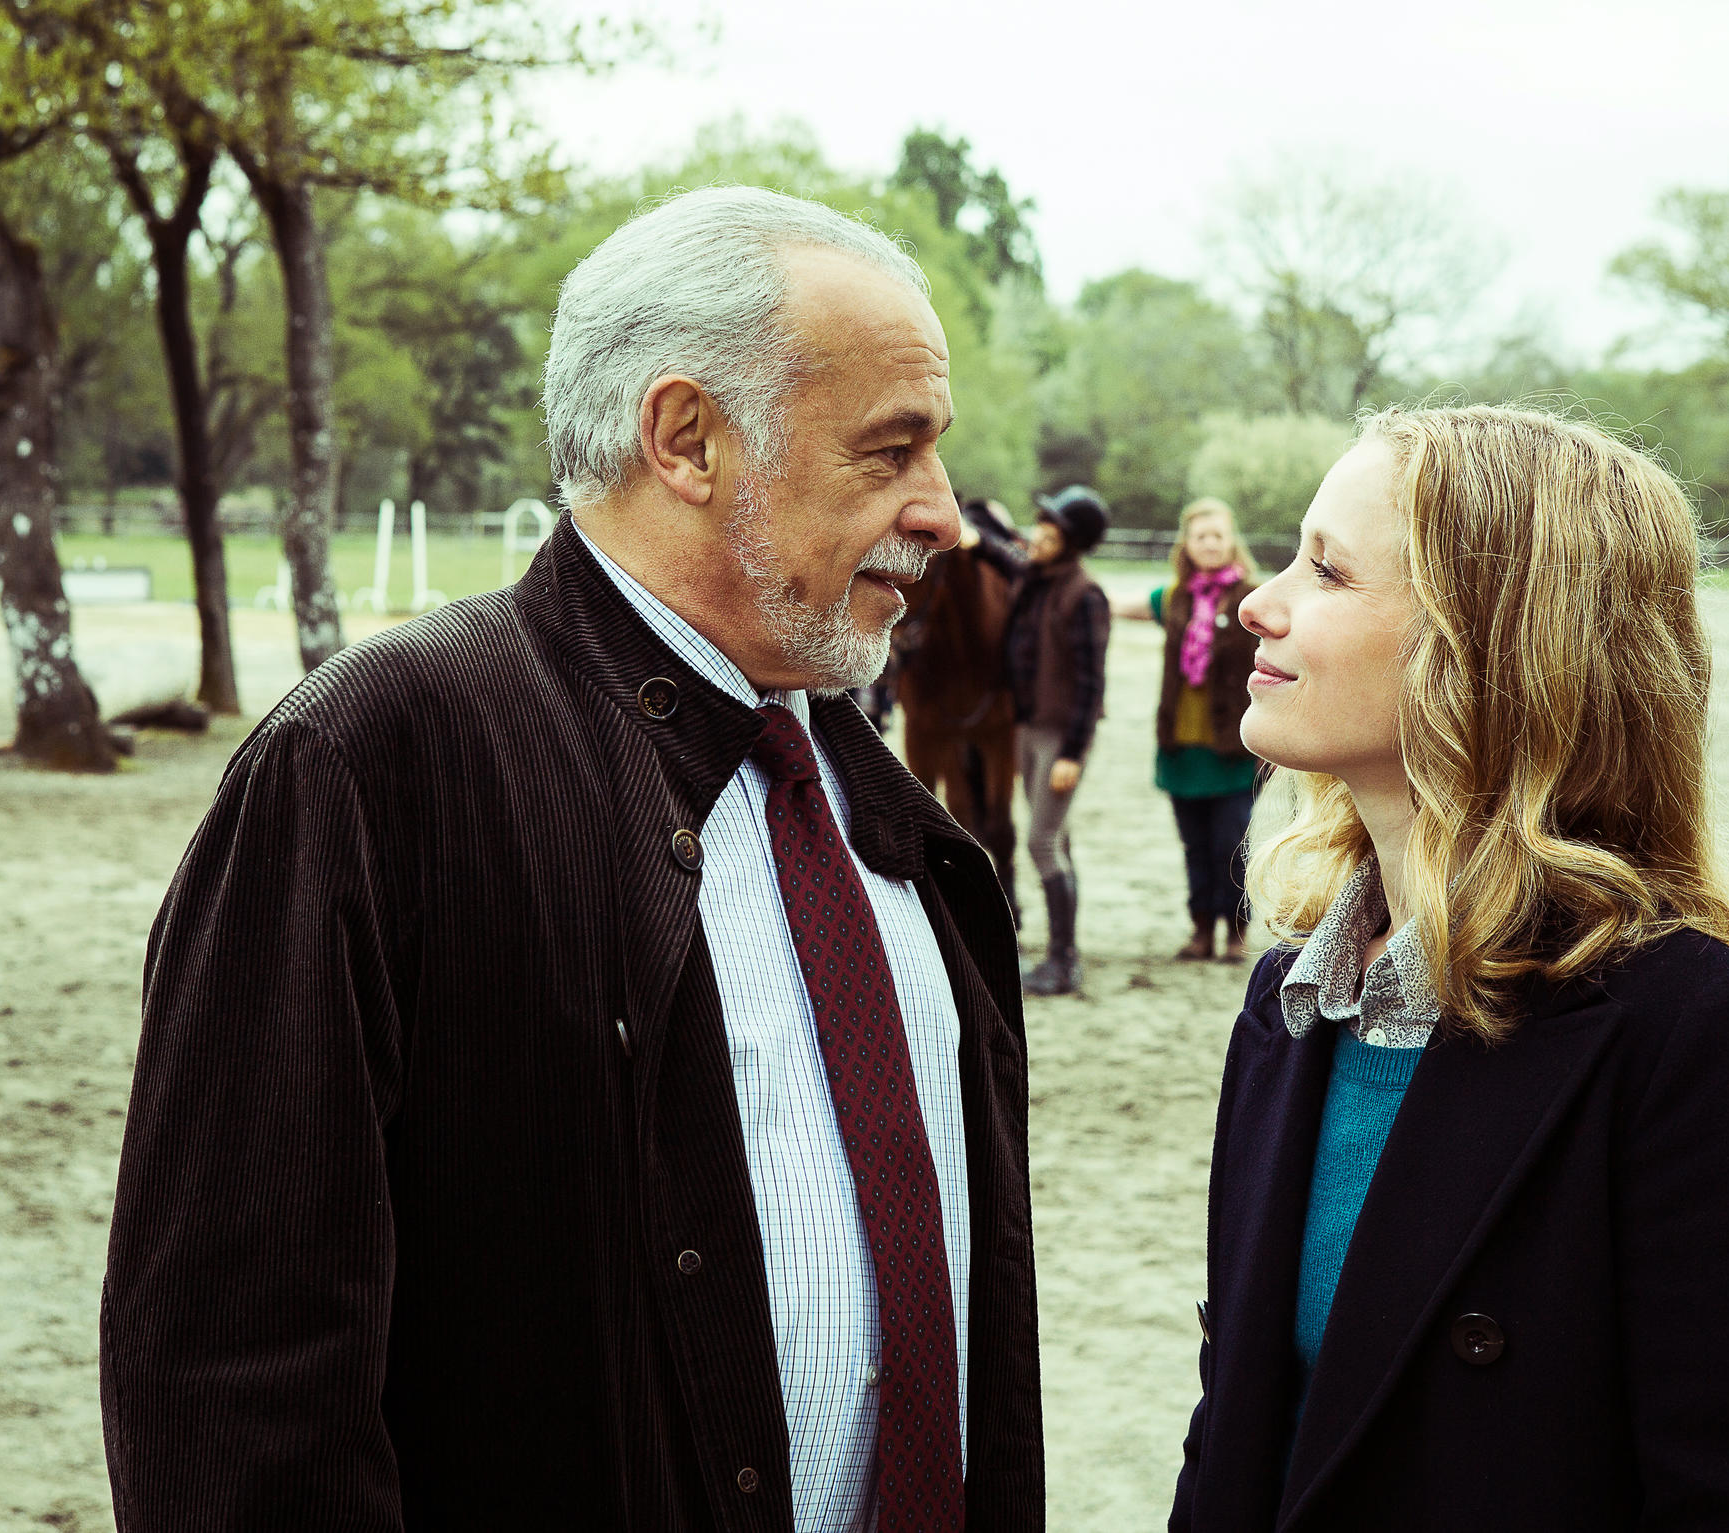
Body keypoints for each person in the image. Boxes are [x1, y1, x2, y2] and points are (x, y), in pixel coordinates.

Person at [101, 187, 1044, 1533]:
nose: (944, 514)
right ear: (685, 438)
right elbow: (235, 1381)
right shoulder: (373, 764)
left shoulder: (896, 826)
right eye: (890, 451)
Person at [1170, 406, 1729, 1531]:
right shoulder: (1288, 1000)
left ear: (1489, 648)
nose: (1262, 598)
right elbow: (1238, 1436)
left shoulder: (1696, 1041)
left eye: (1328, 573)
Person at [966, 485, 1111, 997]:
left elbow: (1092, 684)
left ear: (1070, 541)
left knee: (1041, 841)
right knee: (1056, 837)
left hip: (1057, 735)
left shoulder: (1085, 596)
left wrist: (1073, 752)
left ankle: (1063, 960)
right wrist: (972, 536)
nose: (1040, 532)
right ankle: (1061, 951)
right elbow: (1000, 555)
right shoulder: (1035, 576)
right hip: (1026, 728)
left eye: (1051, 527)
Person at [1114, 498, 1262, 963]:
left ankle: (1236, 934)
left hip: (1232, 749)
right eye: (1201, 536)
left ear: (1231, 541)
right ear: (1188, 545)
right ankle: (1200, 930)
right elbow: (1116, 605)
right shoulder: (1173, 598)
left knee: (1232, 848)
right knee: (1195, 847)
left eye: (1218, 535)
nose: (1211, 543)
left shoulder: (1252, 599)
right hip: (1181, 747)